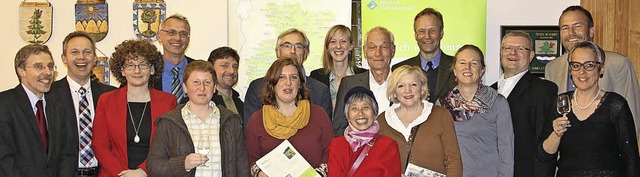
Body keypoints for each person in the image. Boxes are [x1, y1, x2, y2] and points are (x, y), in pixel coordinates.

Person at [539, 41, 640, 177]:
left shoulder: (616, 105)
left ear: (601, 69)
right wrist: (556, 135)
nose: (582, 71)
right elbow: (543, 155)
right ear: (570, 69)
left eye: (589, 65)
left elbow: (631, 159)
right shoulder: (560, 103)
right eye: (576, 65)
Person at [545, 6, 640, 134]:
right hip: (566, 151)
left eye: (577, 26)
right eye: (565, 28)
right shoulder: (552, 68)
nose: (571, 33)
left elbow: (631, 119)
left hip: (605, 151)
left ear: (591, 32)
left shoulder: (619, 64)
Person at [147, 60, 249, 176]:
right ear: (185, 87)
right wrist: (183, 164)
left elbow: (242, 167)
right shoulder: (168, 122)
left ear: (214, 87)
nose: (202, 88)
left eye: (207, 82)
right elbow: (153, 165)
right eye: (196, 82)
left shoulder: (231, 121)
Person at [93, 39, 177, 177]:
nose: (137, 70)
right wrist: (123, 174)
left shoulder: (168, 102)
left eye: (143, 64)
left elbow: (168, 145)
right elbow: (100, 145)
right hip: (114, 174)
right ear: (122, 70)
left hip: (152, 173)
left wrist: (143, 171)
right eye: (130, 65)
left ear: (152, 69)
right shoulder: (106, 100)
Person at [245, 58, 333, 177]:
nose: (288, 82)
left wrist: (318, 174)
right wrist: (260, 173)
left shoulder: (318, 115)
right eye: (281, 77)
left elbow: (331, 153)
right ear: (272, 83)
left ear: (300, 84)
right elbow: (251, 160)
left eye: (294, 77)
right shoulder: (257, 120)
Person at [0, 44, 77, 176]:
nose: (47, 72)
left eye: (50, 66)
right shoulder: (4, 104)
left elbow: (67, 153)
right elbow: (4, 159)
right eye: (39, 66)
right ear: (21, 71)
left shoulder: (58, 106)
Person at [489, 31, 558, 177]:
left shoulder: (544, 90)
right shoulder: (487, 92)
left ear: (531, 55)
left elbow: (544, 141)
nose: (512, 53)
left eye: (520, 48)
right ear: (501, 53)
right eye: (507, 48)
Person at [48, 31, 116, 177]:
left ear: (95, 58)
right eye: (74, 52)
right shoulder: (49, 95)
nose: (81, 57)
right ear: (64, 58)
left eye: (87, 52)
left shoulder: (111, 95)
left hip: (103, 173)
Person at [440, 45, 514, 177]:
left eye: (474, 63)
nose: (467, 67)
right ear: (455, 70)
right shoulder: (442, 104)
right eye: (462, 62)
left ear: (482, 70)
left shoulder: (497, 103)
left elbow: (506, 150)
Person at [378, 65, 462, 177]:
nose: (408, 90)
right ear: (394, 92)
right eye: (401, 86)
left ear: (422, 89)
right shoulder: (383, 121)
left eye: (413, 84)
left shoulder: (440, 115)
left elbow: (454, 160)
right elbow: (377, 164)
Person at [244, 28, 332, 127]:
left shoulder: (320, 91)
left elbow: (323, 132)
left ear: (306, 54)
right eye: (287, 46)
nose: (292, 51)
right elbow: (251, 130)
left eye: (298, 46)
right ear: (277, 52)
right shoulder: (257, 87)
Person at [333, 26, 396, 136]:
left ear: (393, 50)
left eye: (384, 47)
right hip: (358, 151)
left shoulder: (403, 84)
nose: (378, 53)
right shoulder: (349, 84)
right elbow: (339, 126)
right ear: (365, 52)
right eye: (372, 48)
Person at [327, 86, 400, 177]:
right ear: (347, 116)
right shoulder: (336, 145)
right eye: (354, 108)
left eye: (366, 107)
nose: (360, 113)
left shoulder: (388, 145)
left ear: (375, 113)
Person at [392, 7, 455, 103]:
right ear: (415, 35)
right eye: (422, 31)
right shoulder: (399, 69)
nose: (427, 36)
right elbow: (395, 106)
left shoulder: (457, 66)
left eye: (432, 30)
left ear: (441, 33)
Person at [310, 25, 367, 109]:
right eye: (333, 42)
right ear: (327, 47)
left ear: (351, 46)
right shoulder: (316, 76)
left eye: (343, 41)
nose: (338, 46)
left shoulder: (364, 75)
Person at [155, 14, 195, 104]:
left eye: (183, 34)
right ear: (159, 36)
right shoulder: (147, 71)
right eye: (171, 32)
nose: (178, 38)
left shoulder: (200, 70)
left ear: (188, 39)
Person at [207, 47, 244, 118]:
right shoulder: (204, 102)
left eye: (235, 66)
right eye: (224, 66)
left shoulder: (240, 103)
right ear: (211, 69)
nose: (231, 71)